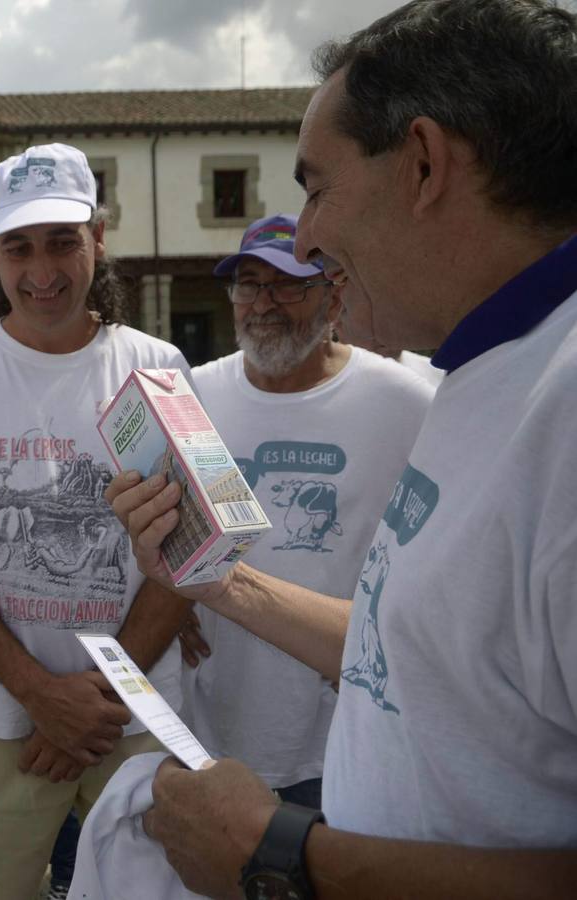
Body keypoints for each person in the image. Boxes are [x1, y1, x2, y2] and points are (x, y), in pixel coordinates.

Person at [111, 1, 577, 896]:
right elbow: (420, 655)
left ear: (425, 163)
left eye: (317, 187)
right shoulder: (484, 372)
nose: (310, 238)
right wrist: (216, 579)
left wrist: (284, 858)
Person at [0, 143, 192, 900]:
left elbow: (189, 551)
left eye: (62, 241)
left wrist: (98, 700)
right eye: (18, 246)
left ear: (99, 239)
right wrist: (37, 695)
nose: (41, 268)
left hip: (135, 712)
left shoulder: (160, 367)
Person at [179, 215, 434, 811]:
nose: (264, 304)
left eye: (288, 284)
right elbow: (167, 530)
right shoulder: (191, 396)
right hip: (214, 723)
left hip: (343, 734)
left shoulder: (404, 403)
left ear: (333, 296)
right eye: (249, 283)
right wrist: (166, 600)